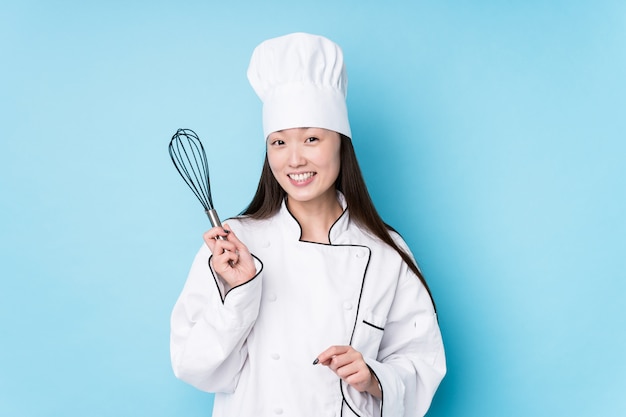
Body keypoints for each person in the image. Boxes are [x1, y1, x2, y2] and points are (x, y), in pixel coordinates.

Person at [170, 32, 446, 417]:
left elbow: (422, 360)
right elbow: (194, 364)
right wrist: (241, 292)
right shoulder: (234, 246)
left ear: (341, 144)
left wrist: (373, 377)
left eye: (312, 138)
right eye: (279, 143)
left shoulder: (386, 250)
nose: (294, 160)